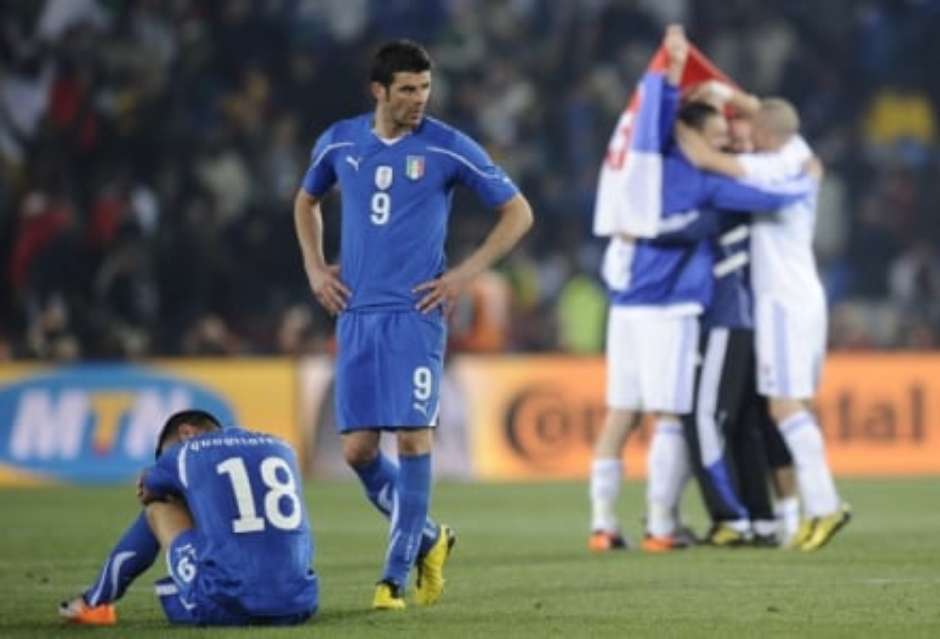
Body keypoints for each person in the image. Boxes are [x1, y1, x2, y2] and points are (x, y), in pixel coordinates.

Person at [294, 40, 533, 608]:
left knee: (413, 435)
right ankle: (431, 537)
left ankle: (392, 578)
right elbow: (306, 203)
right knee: (356, 452)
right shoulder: (340, 140)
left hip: (416, 315)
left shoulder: (449, 146)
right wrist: (313, 268)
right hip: (356, 313)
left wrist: (465, 276)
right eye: (407, 89)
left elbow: (518, 212)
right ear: (379, 91)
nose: (418, 99)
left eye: (424, 88)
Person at [589, 26, 816, 553]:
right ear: (691, 137)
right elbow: (776, 194)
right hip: (671, 306)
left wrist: (670, 76)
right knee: (672, 415)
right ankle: (662, 527)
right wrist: (808, 176)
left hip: (624, 305)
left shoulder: (647, 168)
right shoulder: (707, 182)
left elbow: (654, 117)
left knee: (621, 414)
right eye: (715, 138)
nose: (722, 144)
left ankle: (602, 524)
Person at [677, 98, 851, 550]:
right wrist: (731, 97)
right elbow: (773, 114)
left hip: (781, 303)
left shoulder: (772, 167)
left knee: (783, 408)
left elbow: (704, 159)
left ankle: (827, 506)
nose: (744, 136)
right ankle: (815, 508)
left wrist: (673, 120)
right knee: (794, 406)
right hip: (805, 295)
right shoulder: (798, 154)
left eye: (750, 130)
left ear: (766, 135)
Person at [59, 410, 318, 626]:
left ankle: (93, 603)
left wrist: (160, 484)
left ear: (186, 433)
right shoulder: (282, 446)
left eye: (163, 455)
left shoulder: (185, 451)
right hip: (300, 605)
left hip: (225, 609)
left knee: (160, 507)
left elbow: (146, 490)